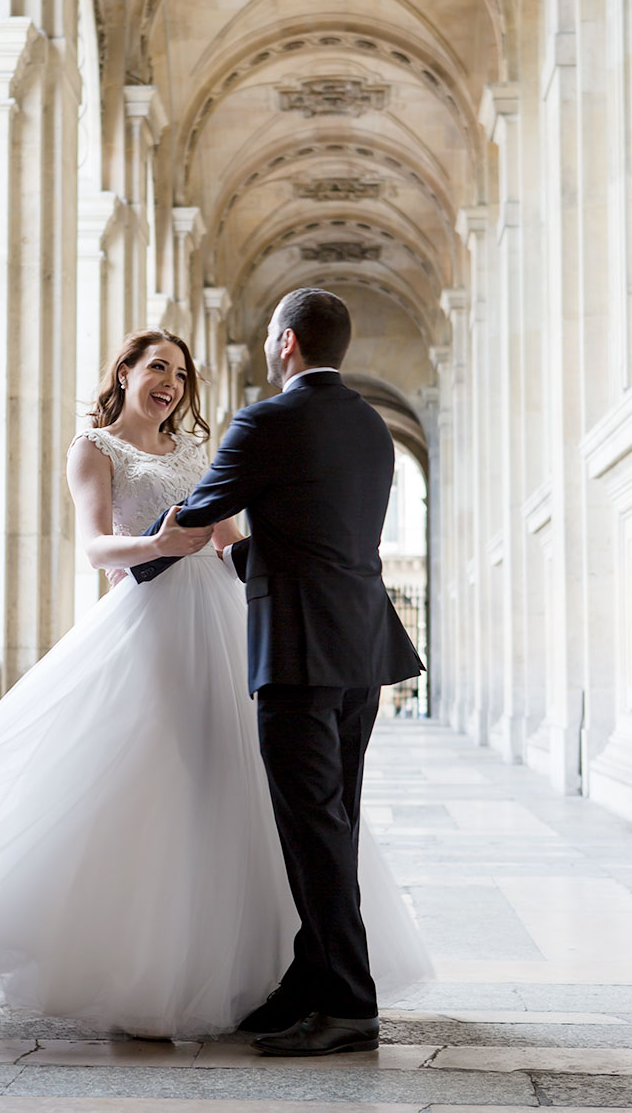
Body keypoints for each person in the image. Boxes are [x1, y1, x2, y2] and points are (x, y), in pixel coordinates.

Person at [0, 326, 429, 1040]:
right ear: (126, 372)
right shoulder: (94, 448)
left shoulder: (198, 450)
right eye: (157, 366)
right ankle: (156, 970)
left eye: (180, 371)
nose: (171, 381)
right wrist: (158, 545)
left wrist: (292, 549)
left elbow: (230, 537)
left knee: (241, 788)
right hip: (152, 620)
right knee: (153, 779)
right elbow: (96, 546)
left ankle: (277, 973)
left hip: (224, 623)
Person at [132, 291, 424, 1056]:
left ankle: (350, 1007)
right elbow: (321, 536)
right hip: (362, 646)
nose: (267, 345)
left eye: (269, 336)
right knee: (335, 822)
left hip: (298, 648)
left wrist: (142, 556)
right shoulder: (372, 426)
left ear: (286, 343)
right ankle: (309, 980)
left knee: (312, 826)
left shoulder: (267, 421)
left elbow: (196, 515)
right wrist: (239, 553)